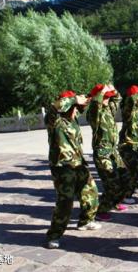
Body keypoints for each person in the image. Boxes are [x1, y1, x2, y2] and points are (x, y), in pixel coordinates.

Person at [45, 90, 100, 249]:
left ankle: (85, 221)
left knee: (91, 192)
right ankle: (54, 235)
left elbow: (84, 105)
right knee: (65, 202)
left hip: (79, 164)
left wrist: (90, 97)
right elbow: (55, 107)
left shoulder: (73, 118)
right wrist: (74, 99)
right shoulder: (54, 120)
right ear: (67, 105)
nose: (77, 110)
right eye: (74, 106)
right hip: (63, 167)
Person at [86, 84, 129, 222]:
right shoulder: (94, 113)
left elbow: (118, 99)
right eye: (105, 98)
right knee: (112, 182)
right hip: (102, 153)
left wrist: (113, 90)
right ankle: (101, 210)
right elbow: (94, 104)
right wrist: (100, 93)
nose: (107, 100)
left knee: (126, 177)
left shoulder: (108, 108)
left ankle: (115, 202)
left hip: (113, 150)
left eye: (108, 98)